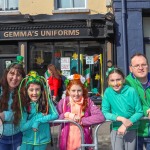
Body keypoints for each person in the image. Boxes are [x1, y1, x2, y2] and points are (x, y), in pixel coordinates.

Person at [56, 74, 105, 150]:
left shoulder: (88, 102)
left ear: (83, 90)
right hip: (67, 141)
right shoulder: (63, 102)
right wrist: (66, 115)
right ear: (68, 91)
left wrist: (82, 121)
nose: (76, 94)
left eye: (79, 90)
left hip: (84, 141)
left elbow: (100, 117)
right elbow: (55, 119)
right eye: (73, 91)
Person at [102, 67, 143, 150]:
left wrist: (126, 124)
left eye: (118, 79)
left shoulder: (131, 91)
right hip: (115, 129)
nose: (115, 83)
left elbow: (139, 111)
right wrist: (121, 119)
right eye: (112, 80)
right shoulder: (108, 92)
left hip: (131, 129)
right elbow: (105, 112)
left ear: (123, 80)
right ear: (108, 81)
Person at [18, 71, 58, 150]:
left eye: (37, 89)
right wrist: (37, 117)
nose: (34, 93)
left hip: (42, 140)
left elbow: (55, 115)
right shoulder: (24, 105)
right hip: (27, 140)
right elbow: (22, 127)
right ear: (27, 91)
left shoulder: (47, 102)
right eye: (31, 90)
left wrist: (38, 121)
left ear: (41, 90)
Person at [0, 56, 26, 150]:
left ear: (22, 77)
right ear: (6, 74)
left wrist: (4, 115)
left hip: (19, 136)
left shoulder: (24, 92)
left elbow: (24, 113)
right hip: (1, 138)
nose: (14, 78)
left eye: (18, 75)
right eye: (12, 73)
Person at [126, 53, 150, 150]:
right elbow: (129, 104)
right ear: (131, 68)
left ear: (148, 66)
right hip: (135, 131)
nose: (141, 68)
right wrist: (147, 110)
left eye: (143, 65)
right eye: (137, 65)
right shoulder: (126, 83)